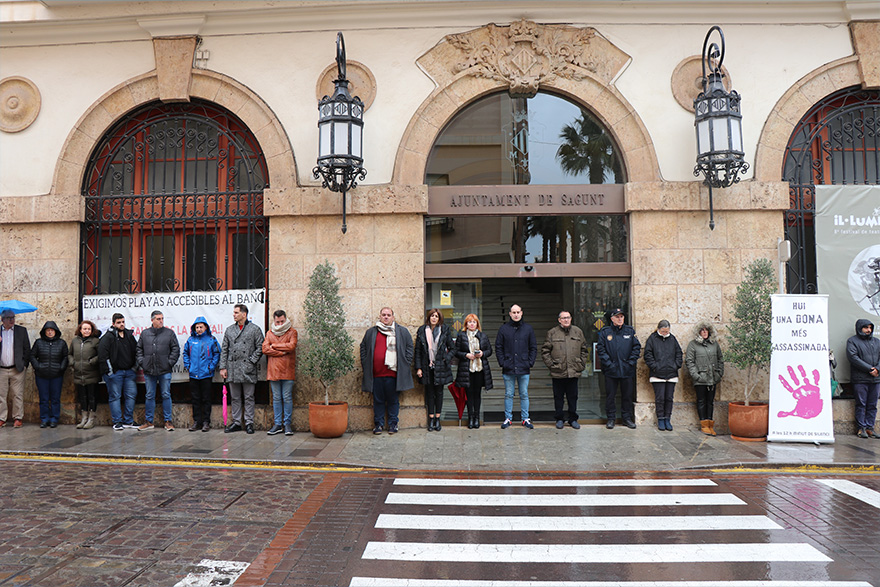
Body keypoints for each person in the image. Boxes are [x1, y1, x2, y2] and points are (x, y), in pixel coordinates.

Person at [360, 307, 414, 435]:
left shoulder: (401, 331)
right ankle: (378, 425)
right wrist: (366, 363)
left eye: (388, 315)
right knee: (377, 401)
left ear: (393, 317)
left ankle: (393, 424)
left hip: (394, 374)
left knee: (393, 400)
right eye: (383, 315)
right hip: (376, 374)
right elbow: (363, 347)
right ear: (380, 316)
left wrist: (405, 363)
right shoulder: (371, 332)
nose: (386, 317)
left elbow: (409, 347)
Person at [220, 304, 264, 434]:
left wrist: (251, 361)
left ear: (244, 314)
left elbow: (260, 347)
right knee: (235, 397)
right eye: (234, 312)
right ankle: (237, 422)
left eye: (236, 312)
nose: (234, 315)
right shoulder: (229, 330)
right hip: (233, 368)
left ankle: (249, 422)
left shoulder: (255, 329)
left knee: (249, 397)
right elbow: (224, 350)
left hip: (248, 369)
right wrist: (223, 367)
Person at [541, 310, 588, 429]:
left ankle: (573, 419)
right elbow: (545, 351)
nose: (566, 320)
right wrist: (551, 365)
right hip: (558, 371)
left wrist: (581, 364)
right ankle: (559, 419)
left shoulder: (578, 331)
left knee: (573, 397)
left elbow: (584, 350)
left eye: (568, 317)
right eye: (563, 318)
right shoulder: (552, 333)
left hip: (573, 371)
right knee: (558, 397)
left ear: (571, 319)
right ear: (559, 320)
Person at [596, 308, 641, 429]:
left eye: (622, 316)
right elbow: (601, 349)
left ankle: (626, 418)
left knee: (627, 396)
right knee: (610, 396)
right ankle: (611, 418)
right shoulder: (605, 332)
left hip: (627, 370)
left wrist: (630, 363)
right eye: (617, 317)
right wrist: (609, 364)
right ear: (612, 319)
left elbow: (636, 348)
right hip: (611, 371)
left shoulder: (630, 331)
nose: (620, 319)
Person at [136, 310, 180, 431]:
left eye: (162, 318)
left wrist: (169, 363)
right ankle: (149, 421)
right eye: (158, 319)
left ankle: (168, 421)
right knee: (149, 395)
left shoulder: (169, 333)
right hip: (149, 371)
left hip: (164, 370)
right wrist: (143, 362)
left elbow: (175, 349)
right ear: (152, 320)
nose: (161, 321)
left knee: (166, 394)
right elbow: (139, 349)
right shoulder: (145, 334)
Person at [495, 304, 537, 429]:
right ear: (510, 314)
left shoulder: (528, 329)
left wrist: (529, 362)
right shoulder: (503, 329)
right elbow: (498, 347)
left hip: (524, 367)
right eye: (514, 312)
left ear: (522, 313)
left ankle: (525, 418)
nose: (516, 314)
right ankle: (508, 418)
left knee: (524, 394)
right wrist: (503, 362)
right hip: (508, 367)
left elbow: (533, 347)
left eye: (518, 312)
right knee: (509, 394)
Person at [414, 308, 454, 431]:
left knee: (439, 393)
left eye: (436, 316)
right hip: (427, 367)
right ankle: (431, 419)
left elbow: (453, 348)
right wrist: (418, 368)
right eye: (432, 316)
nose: (434, 318)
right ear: (429, 317)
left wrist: (446, 358)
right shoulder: (422, 330)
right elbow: (418, 351)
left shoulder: (444, 330)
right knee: (430, 393)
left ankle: (438, 419)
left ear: (439, 318)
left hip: (441, 367)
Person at [98, 313, 139, 431]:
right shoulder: (108, 337)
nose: (121, 324)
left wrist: (134, 368)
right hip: (115, 373)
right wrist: (110, 372)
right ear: (113, 324)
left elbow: (137, 351)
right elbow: (103, 355)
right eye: (119, 322)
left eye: (123, 322)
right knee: (115, 397)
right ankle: (117, 422)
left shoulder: (129, 335)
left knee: (131, 395)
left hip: (129, 372)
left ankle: (128, 421)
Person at [262, 309, 298, 436]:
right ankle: (277, 424)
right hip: (273, 371)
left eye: (282, 321)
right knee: (276, 398)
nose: (280, 324)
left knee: (287, 397)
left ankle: (287, 424)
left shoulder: (292, 332)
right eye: (278, 322)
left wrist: (274, 346)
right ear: (274, 321)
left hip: (287, 369)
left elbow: (292, 346)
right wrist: (282, 352)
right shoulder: (269, 333)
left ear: (286, 319)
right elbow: (265, 349)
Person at [454, 313, 493, 429]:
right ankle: (470, 418)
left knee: (477, 394)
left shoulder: (483, 336)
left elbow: (490, 351)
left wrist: (482, 353)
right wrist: (466, 355)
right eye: (470, 322)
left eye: (474, 322)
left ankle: (476, 418)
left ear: (477, 324)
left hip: (480, 369)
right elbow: (456, 351)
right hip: (467, 369)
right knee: (469, 394)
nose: (472, 324)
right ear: (466, 324)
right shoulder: (461, 336)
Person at [643, 319, 683, 431]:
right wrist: (655, 366)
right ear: (659, 329)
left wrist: (676, 365)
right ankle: (660, 418)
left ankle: (667, 419)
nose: (665, 333)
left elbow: (679, 353)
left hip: (671, 373)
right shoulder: (652, 339)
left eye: (667, 331)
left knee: (669, 398)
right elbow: (648, 354)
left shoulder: (672, 339)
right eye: (663, 331)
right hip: (657, 374)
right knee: (660, 398)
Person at [685, 321, 724, 436]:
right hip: (700, 379)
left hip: (713, 378)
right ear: (699, 332)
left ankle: (710, 424)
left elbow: (720, 359)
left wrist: (719, 373)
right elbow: (689, 361)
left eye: (706, 330)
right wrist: (696, 375)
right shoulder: (693, 344)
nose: (704, 332)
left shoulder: (714, 344)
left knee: (710, 401)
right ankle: (704, 424)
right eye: (702, 330)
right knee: (701, 401)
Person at [183, 316, 221, 432]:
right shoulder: (190, 340)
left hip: (206, 375)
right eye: (197, 327)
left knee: (206, 399)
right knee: (195, 399)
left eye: (201, 327)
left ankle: (206, 422)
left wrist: (211, 367)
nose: (199, 329)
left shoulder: (211, 340)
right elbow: (185, 353)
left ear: (206, 328)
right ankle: (196, 422)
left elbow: (217, 353)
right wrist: (188, 366)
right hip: (194, 375)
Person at [30, 320, 68, 428]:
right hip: (42, 375)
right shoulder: (38, 342)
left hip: (57, 375)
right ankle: (44, 419)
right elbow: (32, 356)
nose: (50, 332)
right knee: (44, 399)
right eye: (48, 330)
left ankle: (54, 419)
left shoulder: (61, 343)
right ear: (44, 332)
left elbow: (66, 357)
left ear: (56, 331)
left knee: (55, 399)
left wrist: (61, 367)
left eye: (52, 330)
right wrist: (38, 366)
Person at [846, 318, 880, 439]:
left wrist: (877, 369)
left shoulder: (877, 341)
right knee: (861, 404)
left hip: (875, 379)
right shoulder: (852, 341)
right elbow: (853, 358)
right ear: (859, 328)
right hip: (860, 379)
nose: (868, 330)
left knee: (873, 404)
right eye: (866, 328)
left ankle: (870, 428)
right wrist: (870, 369)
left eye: (870, 328)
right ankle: (861, 428)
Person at [0, 309, 31, 428]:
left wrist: (24, 365)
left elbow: (27, 349)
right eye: (9, 318)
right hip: (1, 369)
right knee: (1, 395)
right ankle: (2, 418)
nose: (12, 320)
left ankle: (18, 418)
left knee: (17, 394)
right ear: (2, 319)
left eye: (13, 317)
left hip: (17, 369)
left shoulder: (21, 331)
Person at [69, 320, 101, 430]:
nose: (86, 331)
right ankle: (84, 418)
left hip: (92, 373)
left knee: (92, 396)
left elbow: (100, 355)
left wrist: (91, 362)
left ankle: (91, 419)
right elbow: (70, 354)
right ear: (80, 330)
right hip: (79, 374)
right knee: (82, 397)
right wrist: (72, 362)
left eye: (89, 329)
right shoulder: (75, 341)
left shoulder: (95, 341)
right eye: (84, 329)